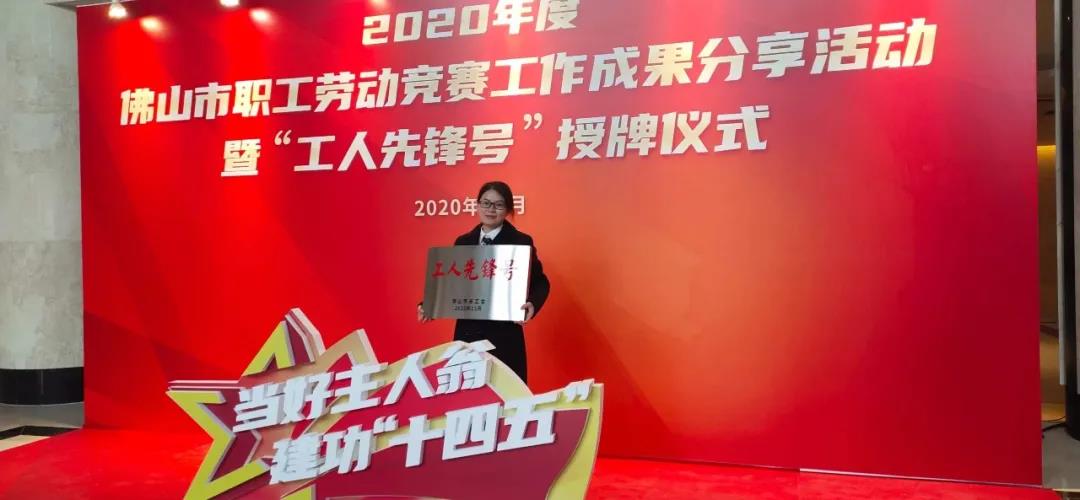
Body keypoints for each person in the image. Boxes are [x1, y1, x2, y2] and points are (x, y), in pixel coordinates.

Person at [418, 181, 550, 383]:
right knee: (466, 393)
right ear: (477, 205)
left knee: (505, 392)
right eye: (486, 203)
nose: (491, 209)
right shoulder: (463, 242)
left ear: (508, 209)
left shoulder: (521, 242)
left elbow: (541, 282)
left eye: (498, 205)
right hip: (467, 334)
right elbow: (452, 285)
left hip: (504, 336)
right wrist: (429, 305)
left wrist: (532, 302)